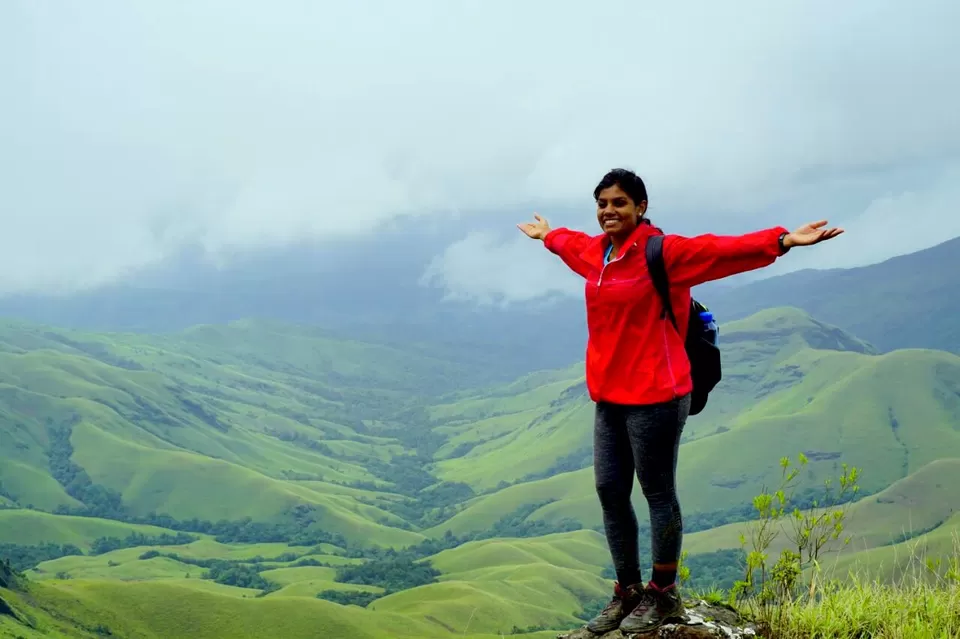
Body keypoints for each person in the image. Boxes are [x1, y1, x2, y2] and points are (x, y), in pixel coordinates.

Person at [517, 168, 843, 635]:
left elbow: (721, 249)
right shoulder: (598, 252)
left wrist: (784, 240)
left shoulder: (663, 253)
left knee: (656, 492)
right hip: (609, 395)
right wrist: (547, 235)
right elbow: (569, 243)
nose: (609, 211)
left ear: (641, 207)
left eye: (620, 203)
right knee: (610, 490)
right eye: (602, 203)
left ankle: (664, 593)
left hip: (656, 394)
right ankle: (627, 592)